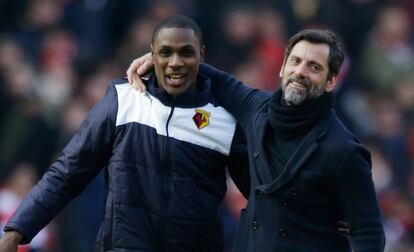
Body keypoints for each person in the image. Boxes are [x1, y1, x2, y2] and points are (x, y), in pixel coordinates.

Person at [0, 15, 250, 252]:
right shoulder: (122, 101)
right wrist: (17, 229)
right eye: (165, 52)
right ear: (152, 56)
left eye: (186, 52)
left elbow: (261, 196)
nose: (175, 62)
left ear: (201, 55)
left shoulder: (223, 120)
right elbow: (67, 172)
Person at [127, 29, 386, 251]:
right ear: (283, 68)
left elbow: (369, 234)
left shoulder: (344, 150)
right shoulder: (257, 109)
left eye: (314, 67)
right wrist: (163, 59)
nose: (301, 72)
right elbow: (219, 81)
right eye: (295, 61)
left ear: (331, 82)